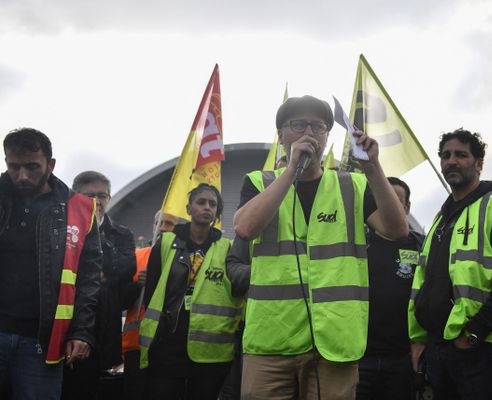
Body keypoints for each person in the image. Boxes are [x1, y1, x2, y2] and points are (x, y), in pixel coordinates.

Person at [234, 95, 408, 399]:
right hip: (271, 341)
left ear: (327, 137)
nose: (308, 133)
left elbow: (397, 231)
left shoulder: (352, 185)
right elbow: (245, 228)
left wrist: (374, 169)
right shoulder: (259, 182)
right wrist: (290, 171)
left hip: (334, 343)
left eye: (318, 126)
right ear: (281, 135)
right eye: (298, 125)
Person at [408, 128, 492, 400]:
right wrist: (420, 339)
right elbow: (424, 282)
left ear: (479, 163)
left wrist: (475, 333)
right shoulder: (440, 218)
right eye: (446, 155)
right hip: (438, 348)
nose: (451, 161)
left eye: (461, 155)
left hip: (479, 349)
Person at [0, 128, 101, 399]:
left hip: (42, 343)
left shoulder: (79, 210)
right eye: (14, 166)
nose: (22, 176)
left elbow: (88, 279)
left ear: (51, 164)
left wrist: (81, 331)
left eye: (32, 167)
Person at [140, 183, 243, 400]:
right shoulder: (166, 242)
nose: (207, 207)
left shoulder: (228, 248)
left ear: (217, 212)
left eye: (213, 204)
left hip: (211, 351)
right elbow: (151, 294)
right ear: (189, 209)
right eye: (201, 202)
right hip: (167, 345)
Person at [61, 171, 136, 399]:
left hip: (103, 328)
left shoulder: (122, 234)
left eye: (102, 195)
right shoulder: (62, 229)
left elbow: (125, 268)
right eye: (90, 195)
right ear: (75, 197)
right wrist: (99, 273)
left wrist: (88, 269)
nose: (97, 201)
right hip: (65, 325)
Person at [356, 177, 424, 400]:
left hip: (402, 358)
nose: (389, 205)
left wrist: (422, 341)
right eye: (384, 199)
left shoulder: (422, 246)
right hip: (357, 357)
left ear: (406, 207)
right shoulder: (355, 243)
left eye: (397, 200)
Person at [121, 210, 177, 400]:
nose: (162, 228)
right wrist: (138, 286)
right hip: (135, 346)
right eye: (158, 223)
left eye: (168, 223)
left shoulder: (182, 261)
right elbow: (119, 299)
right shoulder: (137, 257)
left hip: (167, 348)